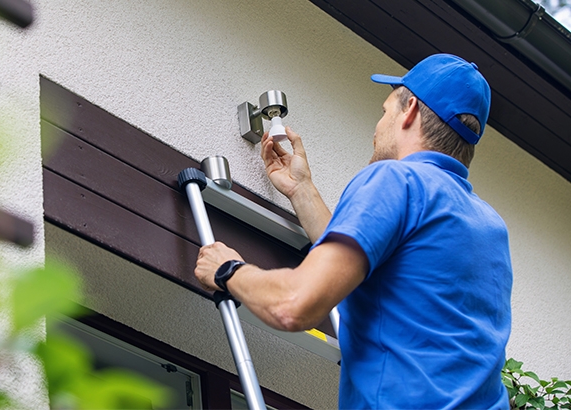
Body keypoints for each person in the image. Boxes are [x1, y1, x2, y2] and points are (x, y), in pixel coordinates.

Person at [194, 54, 513, 409]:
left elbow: (293, 306)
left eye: (385, 111)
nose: (377, 127)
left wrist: (229, 270)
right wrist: (302, 189)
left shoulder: (396, 179)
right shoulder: (488, 225)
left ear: (410, 112)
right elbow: (367, 267)